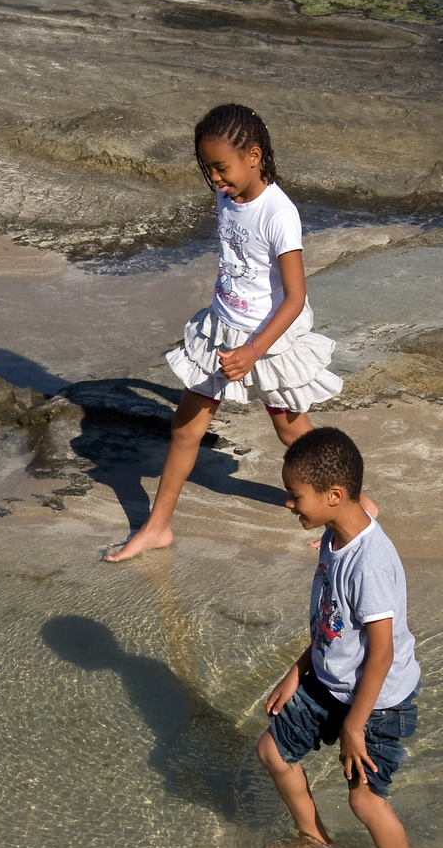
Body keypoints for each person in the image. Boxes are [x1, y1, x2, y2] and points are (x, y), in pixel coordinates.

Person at [106, 103, 374, 562]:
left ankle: (359, 513)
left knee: (295, 437)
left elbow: (294, 297)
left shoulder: (279, 214)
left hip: (266, 343)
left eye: (221, 168)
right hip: (221, 329)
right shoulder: (228, 194)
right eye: (208, 169)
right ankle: (157, 527)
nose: (215, 179)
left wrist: (253, 351)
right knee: (185, 428)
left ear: (254, 155)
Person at [257, 427, 427, 848]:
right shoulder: (334, 537)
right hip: (330, 677)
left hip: (378, 699)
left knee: (365, 800)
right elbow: (331, 624)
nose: (290, 506)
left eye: (295, 497)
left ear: (333, 495)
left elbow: (382, 650)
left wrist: (354, 726)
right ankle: (314, 840)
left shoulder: (369, 562)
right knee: (273, 752)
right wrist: (298, 671)